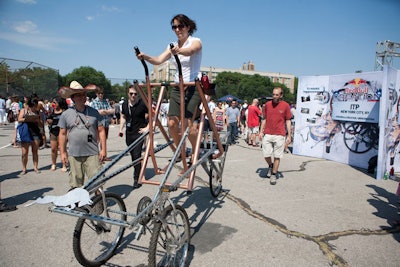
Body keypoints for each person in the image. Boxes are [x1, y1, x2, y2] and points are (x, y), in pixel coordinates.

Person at [136, 14, 202, 161]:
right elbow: (158, 60)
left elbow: (191, 51)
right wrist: (145, 56)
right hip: (178, 86)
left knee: (187, 124)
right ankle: (181, 151)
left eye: (180, 26)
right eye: (174, 27)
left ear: (188, 27)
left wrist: (178, 51)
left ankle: (196, 149)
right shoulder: (171, 45)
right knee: (171, 122)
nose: (177, 29)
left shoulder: (195, 41)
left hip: (192, 86)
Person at [58, 81, 106, 190]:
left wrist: (103, 150)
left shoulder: (94, 112)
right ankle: (78, 206)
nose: (81, 97)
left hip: (92, 153)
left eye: (83, 94)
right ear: (73, 98)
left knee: (97, 182)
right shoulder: (66, 114)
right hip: (74, 155)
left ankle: (99, 205)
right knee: (75, 185)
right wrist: (63, 153)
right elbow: (62, 134)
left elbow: (101, 131)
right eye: (78, 95)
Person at [260, 87, 292, 185]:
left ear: (281, 95)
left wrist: (289, 135)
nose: (274, 96)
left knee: (277, 156)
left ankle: (274, 173)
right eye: (273, 94)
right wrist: (261, 131)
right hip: (268, 133)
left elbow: (288, 120)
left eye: (276, 95)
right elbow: (264, 119)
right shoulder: (267, 105)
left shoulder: (285, 106)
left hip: (280, 134)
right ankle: (271, 165)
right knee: (266, 154)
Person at [119, 85, 148, 189]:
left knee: (136, 155)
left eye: (135, 94)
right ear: (128, 94)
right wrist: (121, 128)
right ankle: (139, 171)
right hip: (129, 133)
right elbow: (123, 116)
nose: (133, 96)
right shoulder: (125, 104)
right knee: (133, 157)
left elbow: (153, 115)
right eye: (131, 94)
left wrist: (147, 127)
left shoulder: (142, 104)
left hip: (139, 133)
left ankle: (137, 179)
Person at [17, 97, 43, 174]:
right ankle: (24, 168)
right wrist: (26, 119)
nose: (34, 108)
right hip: (26, 132)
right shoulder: (24, 110)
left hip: (35, 132)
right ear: (29, 105)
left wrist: (37, 120)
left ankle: (36, 167)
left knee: (35, 151)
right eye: (32, 106)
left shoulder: (38, 112)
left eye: (35, 106)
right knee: (25, 152)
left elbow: (41, 124)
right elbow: (19, 119)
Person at [47, 97, 68, 171]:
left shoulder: (64, 112)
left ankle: (64, 164)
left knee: (63, 149)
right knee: (53, 149)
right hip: (53, 132)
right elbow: (48, 119)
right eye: (53, 102)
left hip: (62, 132)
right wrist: (49, 121)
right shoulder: (52, 112)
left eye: (55, 102)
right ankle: (53, 164)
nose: (53, 104)